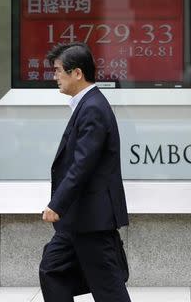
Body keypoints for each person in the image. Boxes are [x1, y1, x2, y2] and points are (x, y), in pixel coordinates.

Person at [39, 42, 131, 302]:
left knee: (108, 287)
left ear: (77, 73)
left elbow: (83, 164)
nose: (55, 77)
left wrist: (57, 204)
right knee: (52, 269)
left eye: (58, 71)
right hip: (78, 217)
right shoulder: (87, 105)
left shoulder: (92, 108)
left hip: (92, 217)